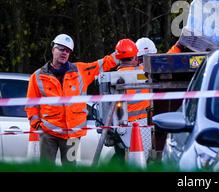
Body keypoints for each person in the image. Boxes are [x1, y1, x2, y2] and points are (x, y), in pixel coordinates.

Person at [25, 34, 119, 165]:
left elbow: (102, 64)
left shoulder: (80, 70)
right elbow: (31, 104)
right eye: (61, 49)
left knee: (70, 167)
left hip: (73, 135)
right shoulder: (37, 77)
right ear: (53, 49)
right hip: (48, 134)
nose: (64, 53)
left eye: (68, 50)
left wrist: (120, 53)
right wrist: (37, 125)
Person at [115, 38, 153, 162]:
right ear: (135, 57)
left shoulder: (114, 78)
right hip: (144, 126)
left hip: (124, 129)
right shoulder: (144, 73)